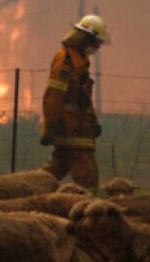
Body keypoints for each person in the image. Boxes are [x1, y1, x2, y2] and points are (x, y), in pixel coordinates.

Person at [40, 14, 111, 194]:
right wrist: (50, 126)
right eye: (95, 42)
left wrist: (93, 122)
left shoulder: (79, 59)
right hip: (70, 128)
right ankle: (87, 211)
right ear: (85, 38)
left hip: (79, 127)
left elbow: (83, 97)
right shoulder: (65, 59)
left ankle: (27, 191)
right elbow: (54, 95)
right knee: (87, 174)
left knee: (56, 169)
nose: (97, 47)